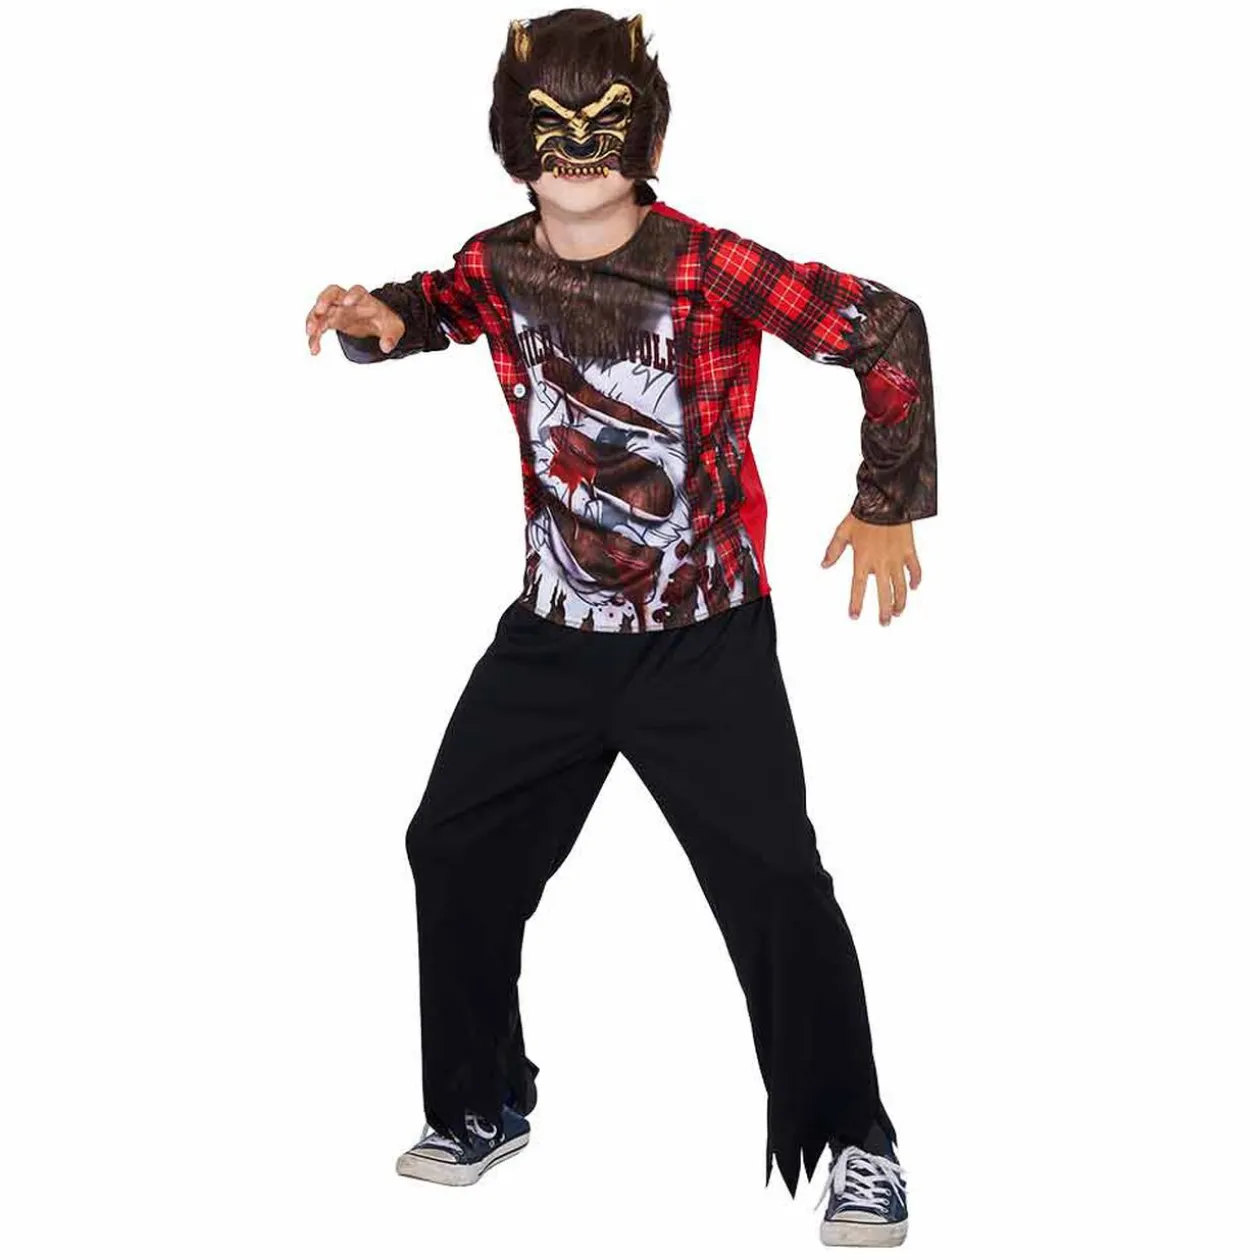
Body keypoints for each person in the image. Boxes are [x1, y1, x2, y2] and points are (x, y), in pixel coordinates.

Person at [304, 8, 932, 1248]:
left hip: (704, 640)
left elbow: (883, 327)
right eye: (553, 124)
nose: (579, 151)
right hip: (551, 637)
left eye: (604, 122)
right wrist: (378, 322)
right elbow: (438, 305)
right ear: (513, 137)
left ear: (646, 132)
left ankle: (857, 1143)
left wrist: (886, 501)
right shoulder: (500, 261)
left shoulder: (708, 265)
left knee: (774, 883)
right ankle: (480, 1102)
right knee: (453, 844)